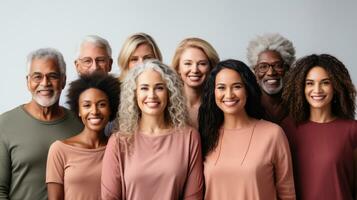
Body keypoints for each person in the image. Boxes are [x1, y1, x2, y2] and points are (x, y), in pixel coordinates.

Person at [101, 59, 203, 200]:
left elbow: (193, 196)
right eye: (144, 88)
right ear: (134, 94)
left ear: (170, 92)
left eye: (159, 87)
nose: (152, 95)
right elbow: (109, 197)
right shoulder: (119, 141)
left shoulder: (189, 137)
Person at [199, 59, 295, 200]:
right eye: (221, 87)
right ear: (213, 93)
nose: (229, 94)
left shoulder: (273, 134)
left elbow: (287, 192)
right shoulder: (205, 134)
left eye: (237, 86)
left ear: (247, 90)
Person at [0, 48, 83, 200]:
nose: (45, 83)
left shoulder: (80, 124)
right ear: (28, 82)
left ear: (63, 80)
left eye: (52, 76)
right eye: (37, 77)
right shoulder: (4, 124)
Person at [282, 54, 357, 200]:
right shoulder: (287, 129)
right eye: (309, 83)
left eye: (325, 83)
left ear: (336, 86)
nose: (317, 90)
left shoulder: (352, 130)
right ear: (300, 87)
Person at [46, 73, 120, 200]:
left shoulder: (119, 149)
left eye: (102, 104)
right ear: (79, 111)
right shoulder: (59, 150)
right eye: (87, 105)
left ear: (110, 110)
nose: (95, 111)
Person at [247, 33, 295, 124]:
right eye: (263, 66)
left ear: (288, 69)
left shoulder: (298, 104)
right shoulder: (247, 106)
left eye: (278, 65)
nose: (271, 73)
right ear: (255, 71)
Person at [172, 37, 219, 128]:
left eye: (202, 64)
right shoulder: (167, 105)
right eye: (188, 63)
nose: (195, 70)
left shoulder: (220, 105)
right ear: (178, 68)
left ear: (211, 68)